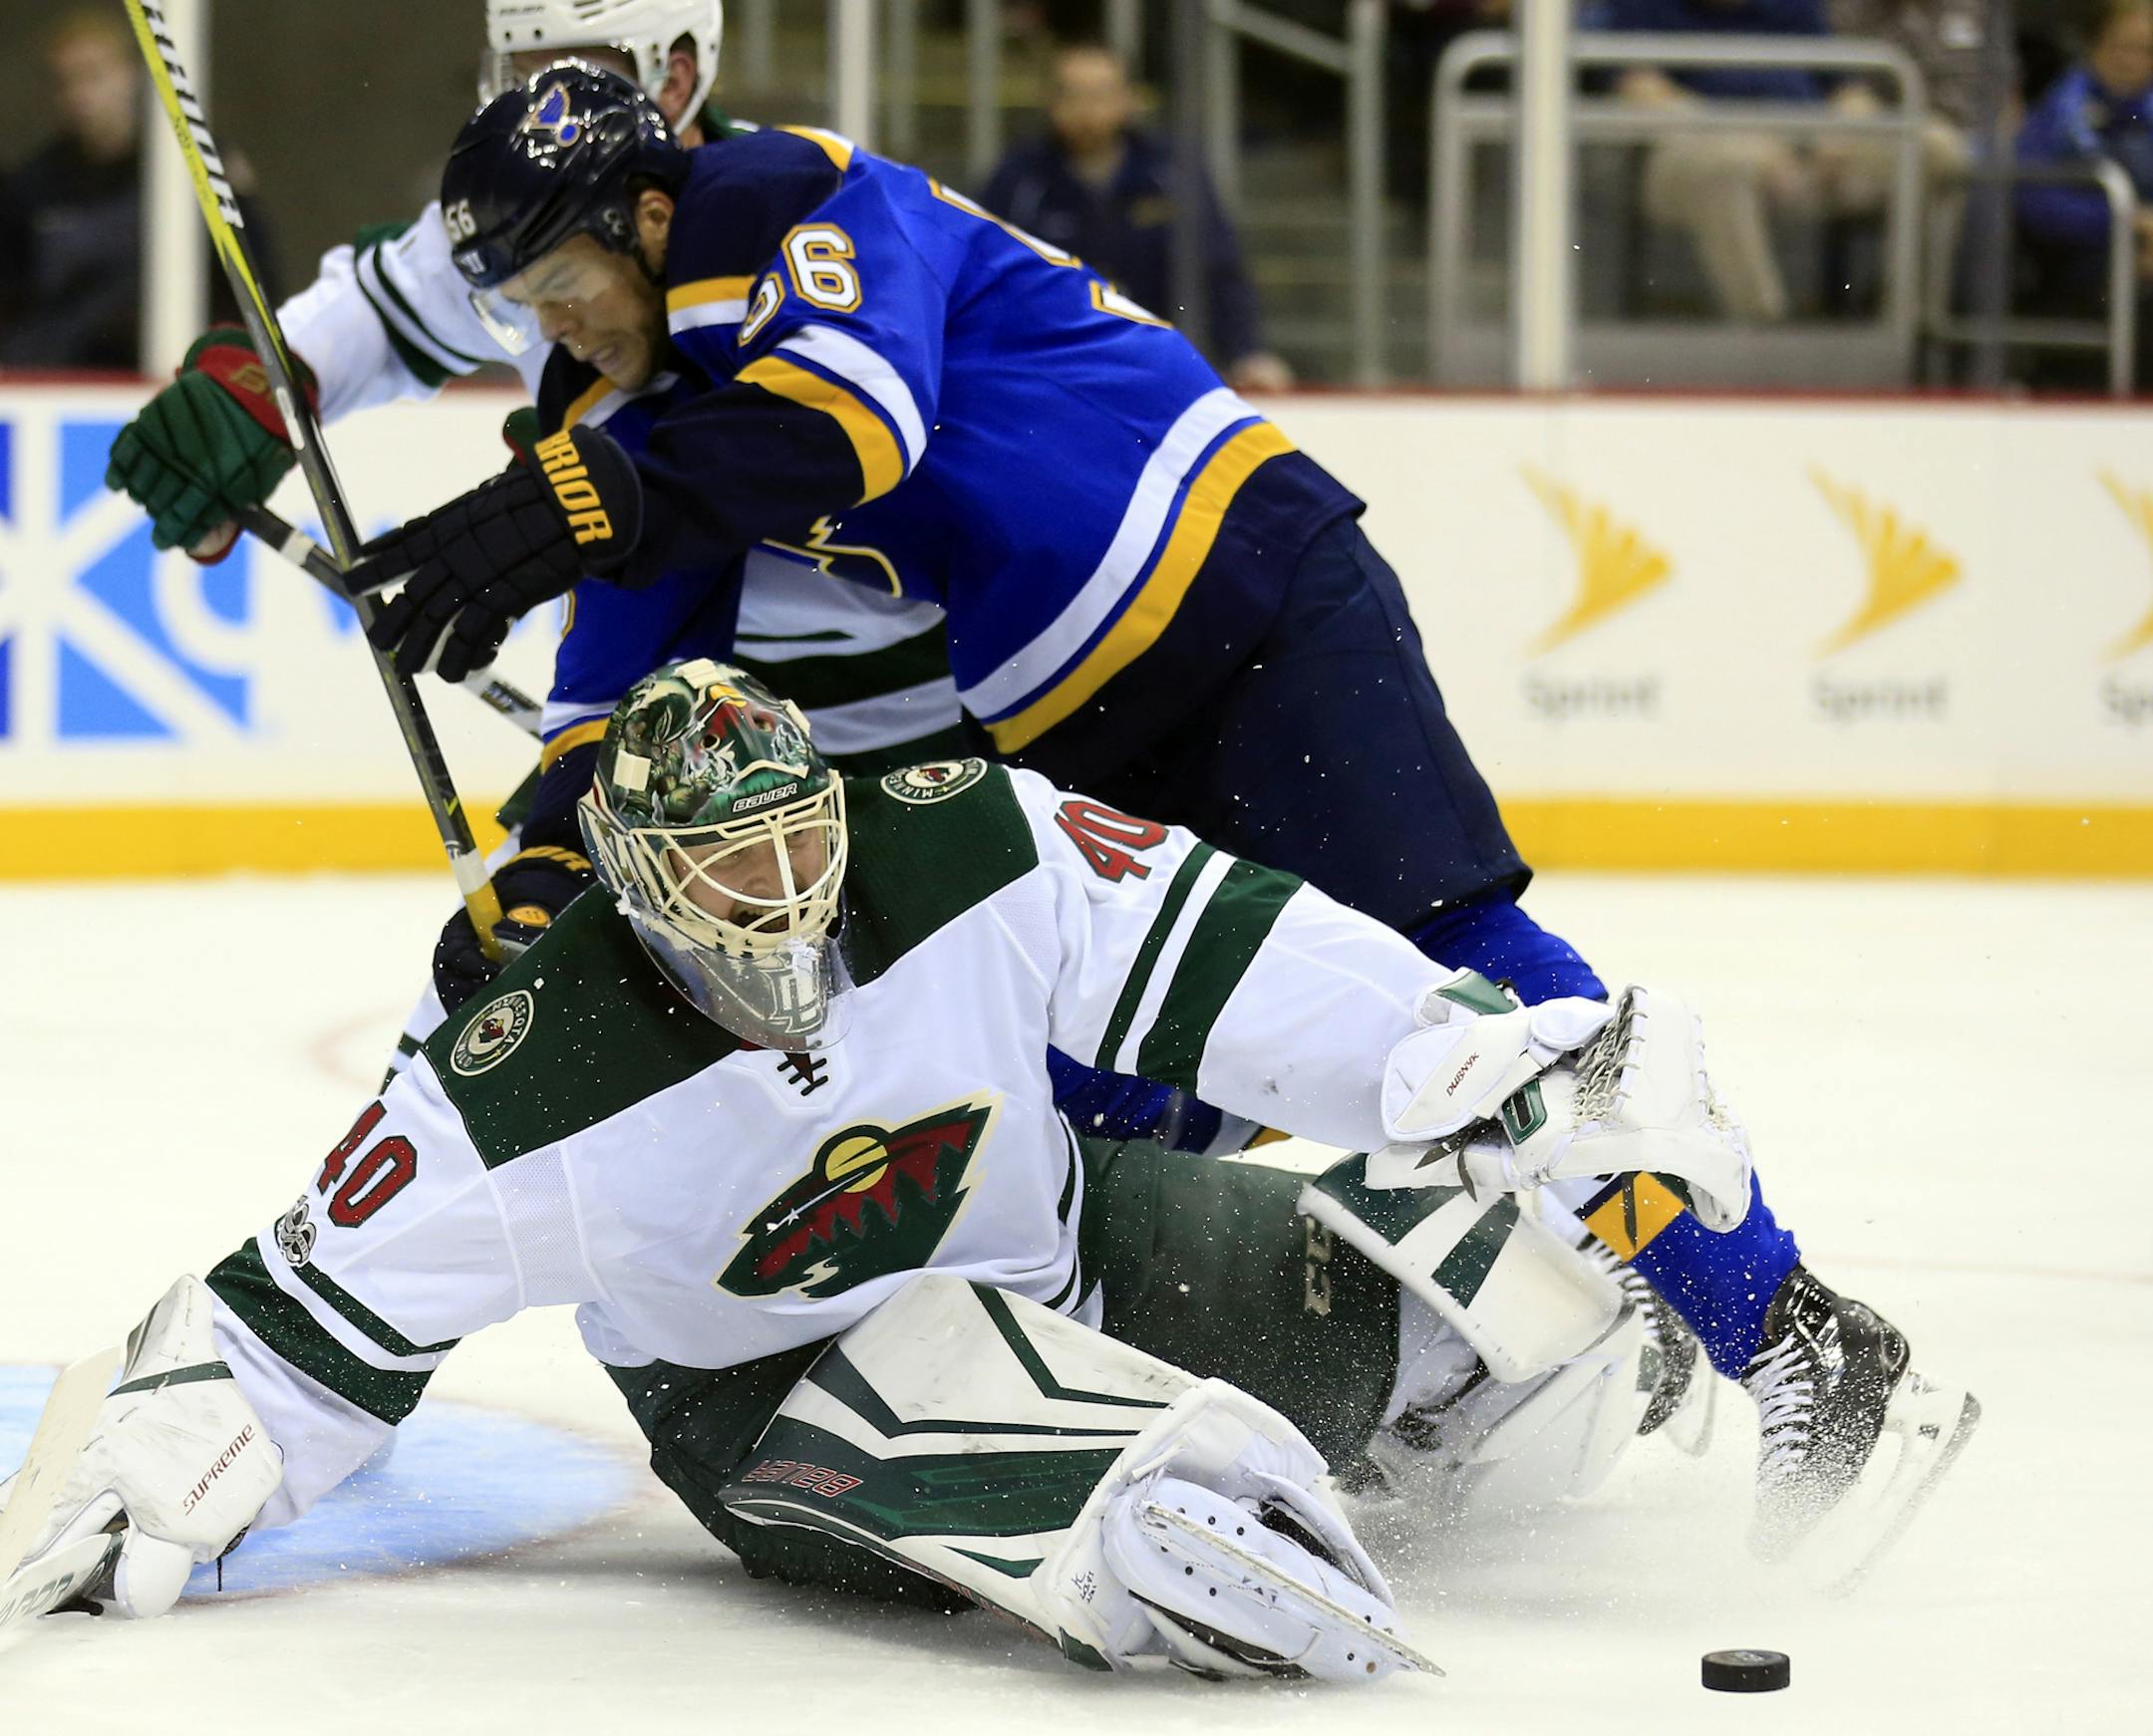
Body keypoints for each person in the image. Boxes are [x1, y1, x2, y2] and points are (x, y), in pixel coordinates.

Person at [107, 65, 1964, 1539]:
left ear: (644, 212)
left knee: (1449, 968)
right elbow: (611, 723)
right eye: (518, 308)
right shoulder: (643, 429)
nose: (549, 330)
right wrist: (533, 880)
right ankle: (1553, 1306)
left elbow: (858, 427)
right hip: (1075, 712)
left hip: (1240, 582)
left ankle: (1794, 1332)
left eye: (562, 288)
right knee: (1065, 1098)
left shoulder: (790, 196)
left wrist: (533, 505)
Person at [0, 664, 1969, 1667]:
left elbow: (1227, 957)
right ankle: (1124, 1492)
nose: (779, 904)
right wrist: (164, 1471)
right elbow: (294, 1314)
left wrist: (1473, 1065)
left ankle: (1413, 1398)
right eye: (723, 875)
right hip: (778, 1392)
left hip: (1063, 1243)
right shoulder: (527, 1081)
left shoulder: (965, 840)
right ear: (626, 883)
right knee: (1177, 1516)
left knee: (1510, 1320)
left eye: (798, 848)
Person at [980, 40, 1294, 390]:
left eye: (1100, 94)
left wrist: (1246, 352)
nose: (1086, 110)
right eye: (1071, 94)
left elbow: (1219, 269)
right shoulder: (1019, 180)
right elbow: (985, 279)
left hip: (1165, 370)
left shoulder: (1172, 173)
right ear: (1048, 100)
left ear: (1130, 100)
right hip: (1051, 375)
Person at [1605, 0, 1910, 323]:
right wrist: (1749, 136)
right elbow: (1641, 90)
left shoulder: (1797, 8)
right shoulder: (1638, 7)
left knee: (1933, 149)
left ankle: (1915, 330)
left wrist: (1840, 133)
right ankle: (1766, 337)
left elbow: (1849, 91)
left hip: (1811, 151)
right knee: (1727, 163)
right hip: (1695, 150)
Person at [0, 9, 274, 369]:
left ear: (131, 73)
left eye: (93, 76)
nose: (80, 95)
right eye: (66, 81)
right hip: (65, 383)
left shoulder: (190, 171)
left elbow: (255, 285)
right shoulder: (33, 186)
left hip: (180, 375)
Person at [2015, 0, 2153, 381]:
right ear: (2095, 46)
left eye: (2146, 50)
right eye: (2124, 47)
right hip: (2077, 269)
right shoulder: (2060, 110)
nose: (2134, 60)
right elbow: (2036, 202)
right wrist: (2126, 223)